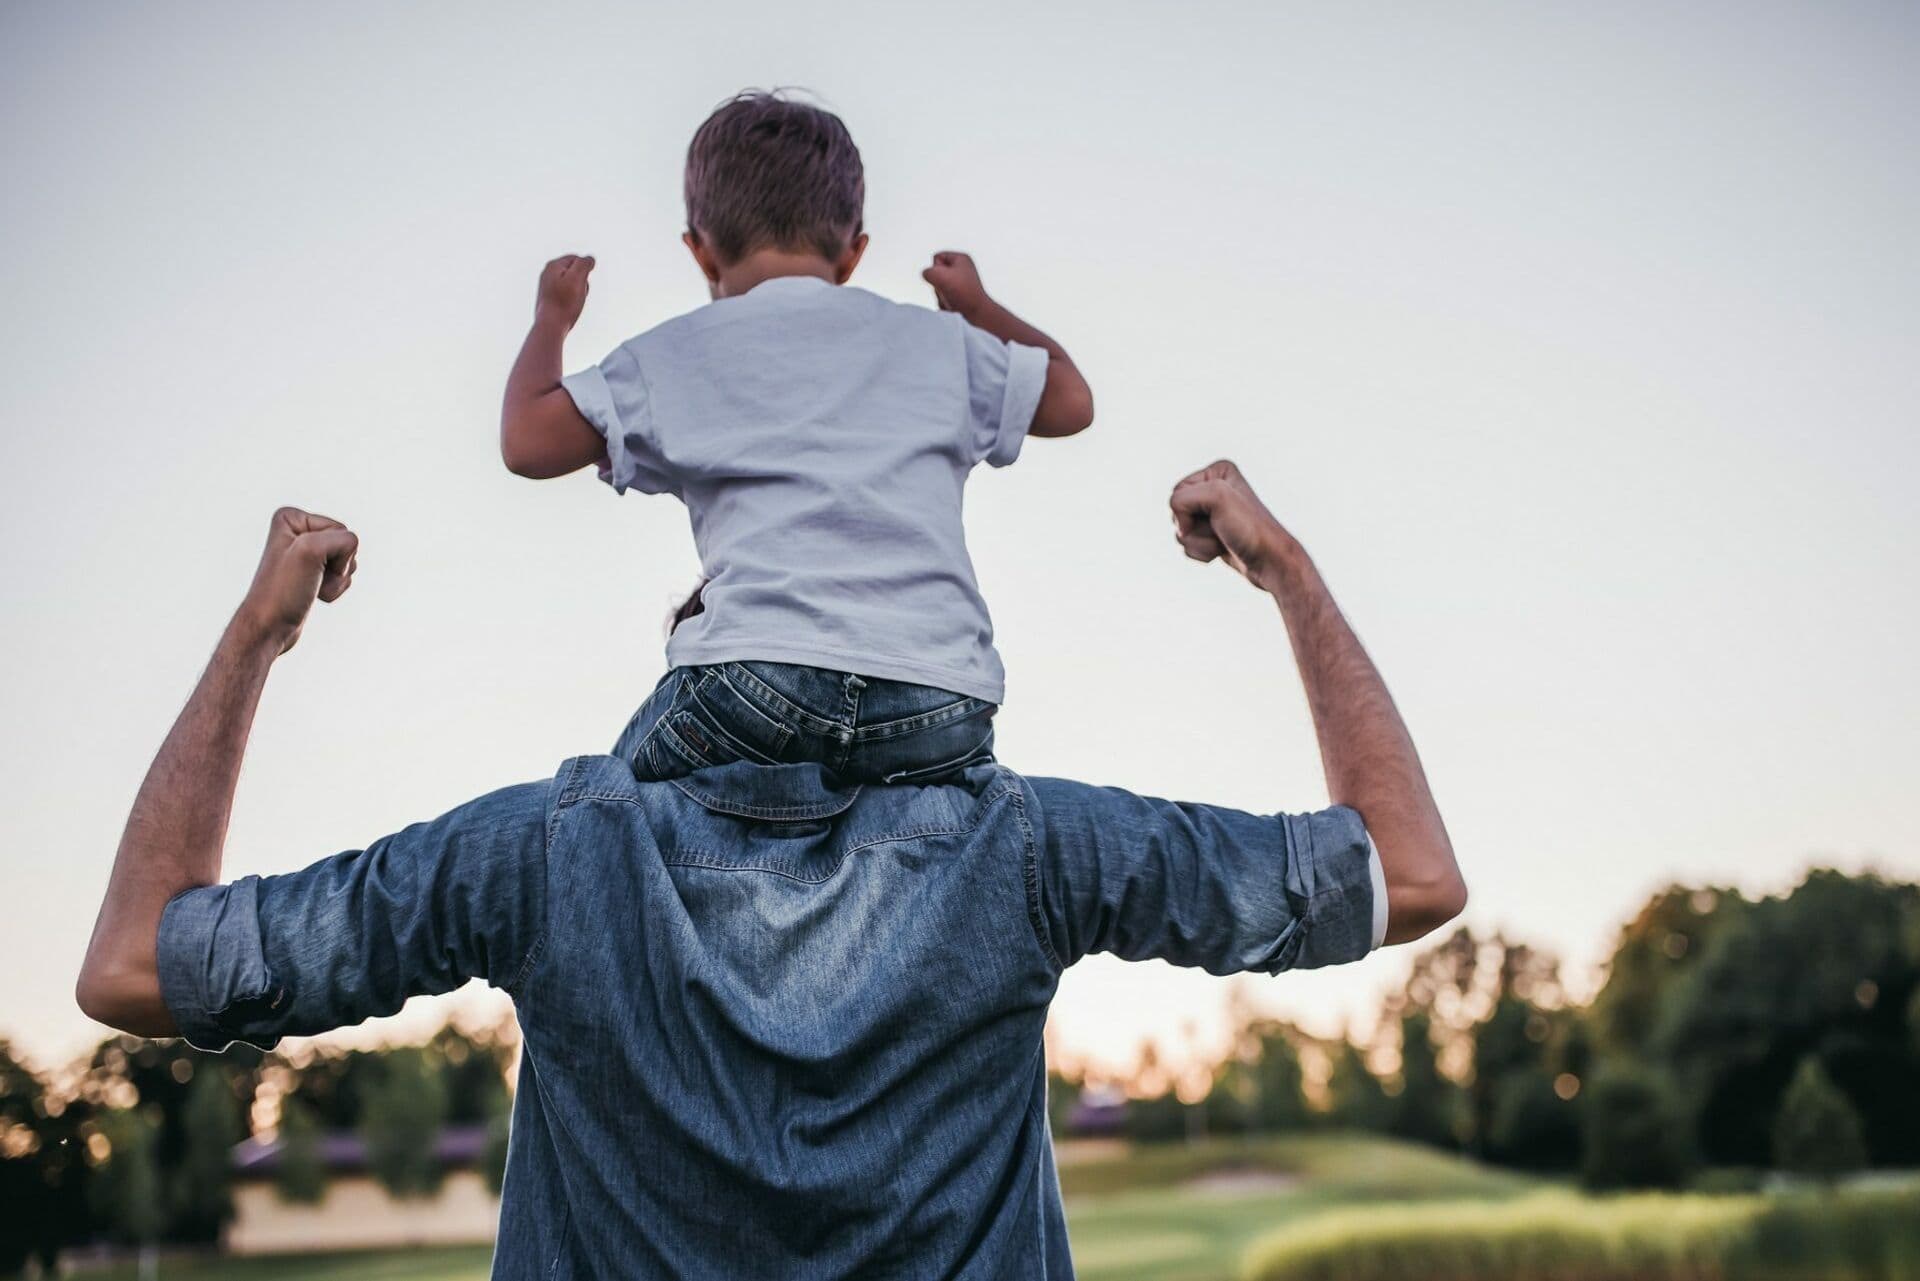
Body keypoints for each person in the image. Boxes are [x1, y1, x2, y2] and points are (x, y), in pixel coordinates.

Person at [76, 461, 1466, 1278]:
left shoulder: (546, 853)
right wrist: (1284, 570)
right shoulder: (1026, 847)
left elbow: (137, 961)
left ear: (692, 648)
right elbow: (1406, 872)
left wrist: (259, 635)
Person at [498, 90, 1096, 786]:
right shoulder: (938, 343)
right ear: (854, 253)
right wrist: (975, 306)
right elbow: (1071, 400)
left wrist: (553, 317)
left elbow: (526, 441)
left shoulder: (680, 353)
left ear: (700, 251)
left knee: (605, 812)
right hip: (942, 699)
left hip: (760, 684)